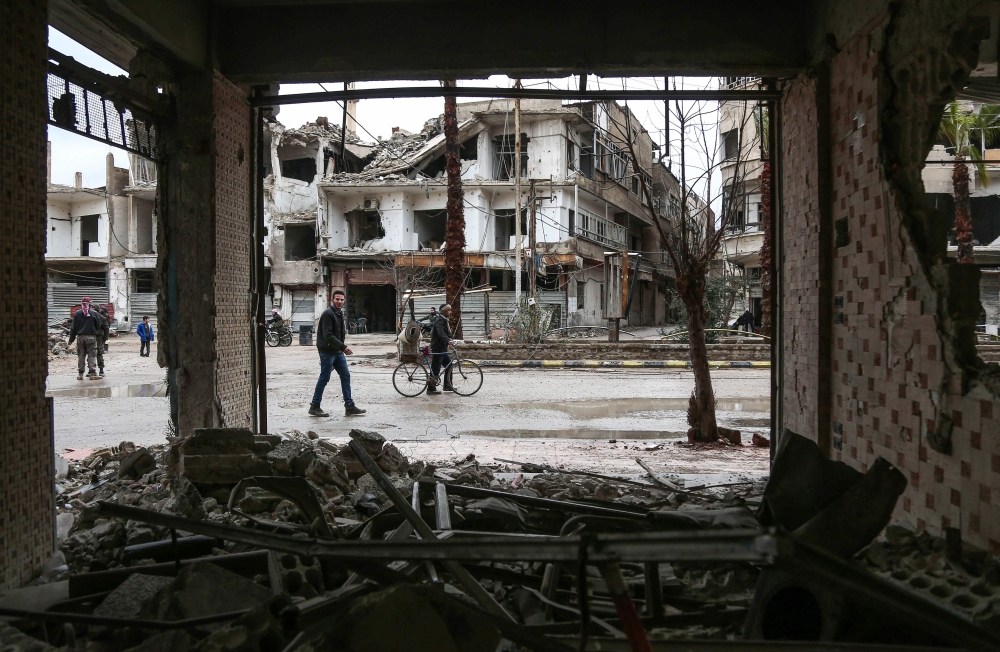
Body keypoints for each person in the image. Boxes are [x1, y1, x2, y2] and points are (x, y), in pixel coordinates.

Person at [310, 290, 366, 417]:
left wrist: (341, 348)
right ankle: (314, 406)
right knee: (324, 378)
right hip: (327, 352)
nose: (339, 302)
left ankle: (349, 406)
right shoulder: (328, 314)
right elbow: (328, 335)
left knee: (345, 376)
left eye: (341, 299)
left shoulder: (339, 313)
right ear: (332, 300)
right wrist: (343, 347)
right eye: (337, 299)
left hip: (337, 351)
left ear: (344, 301)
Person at [68, 297, 101, 380]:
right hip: (91, 337)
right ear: (90, 304)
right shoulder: (94, 313)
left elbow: (73, 328)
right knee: (91, 355)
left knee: (81, 355)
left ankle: (80, 374)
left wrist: (71, 340)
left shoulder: (77, 313)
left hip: (80, 337)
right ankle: (92, 373)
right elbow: (98, 326)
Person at [428, 303, 455, 394]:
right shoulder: (439, 320)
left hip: (442, 348)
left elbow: (445, 333)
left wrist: (450, 339)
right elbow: (440, 333)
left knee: (449, 365)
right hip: (438, 348)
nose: (450, 312)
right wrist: (448, 340)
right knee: (436, 368)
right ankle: (431, 389)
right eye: (449, 310)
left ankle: (447, 386)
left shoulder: (444, 320)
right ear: (444, 311)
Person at [94, 305, 111, 377]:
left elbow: (106, 327)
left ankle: (100, 370)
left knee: (98, 353)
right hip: (95, 337)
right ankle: (93, 370)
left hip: (98, 337)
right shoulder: (95, 316)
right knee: (94, 354)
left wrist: (105, 338)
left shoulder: (102, 316)